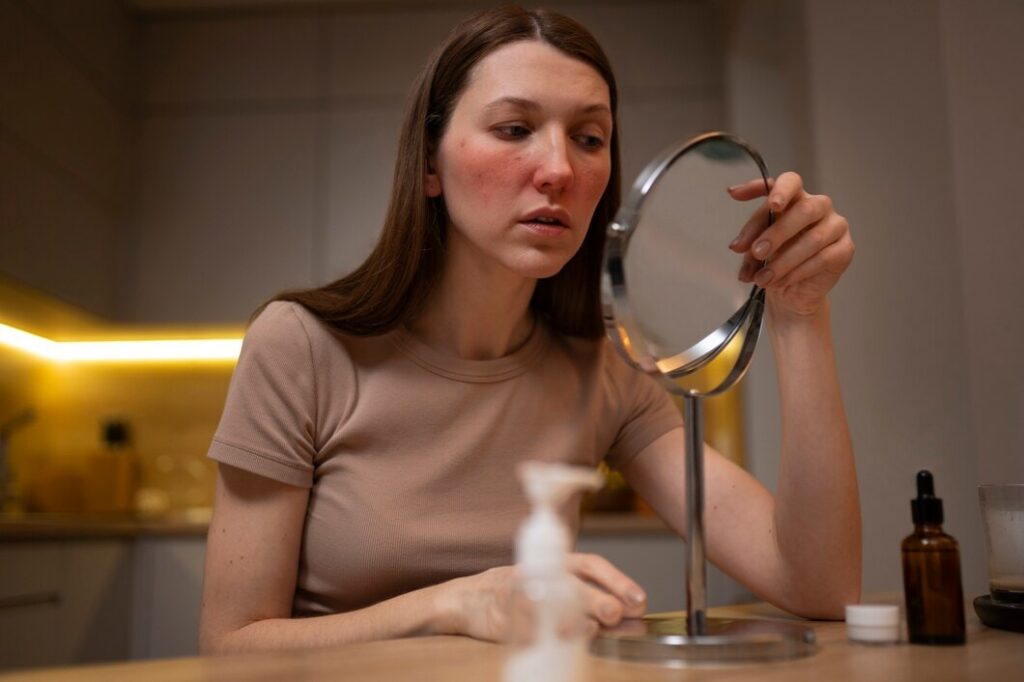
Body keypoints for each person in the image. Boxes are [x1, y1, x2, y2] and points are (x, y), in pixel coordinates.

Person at [198, 5, 859, 654]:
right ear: (429, 164)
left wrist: (801, 317)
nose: (560, 170)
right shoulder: (301, 346)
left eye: (589, 138)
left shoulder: (605, 369)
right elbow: (229, 645)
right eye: (515, 128)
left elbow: (818, 585)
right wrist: (452, 605)